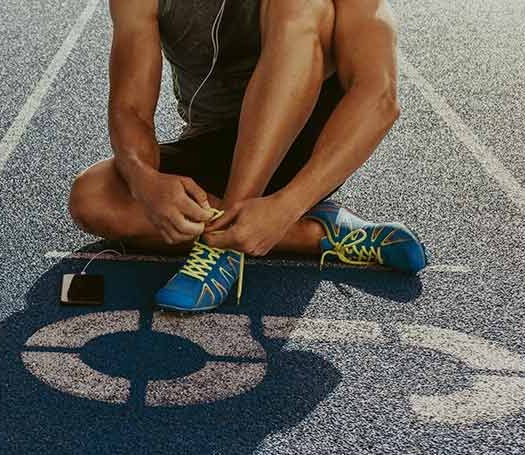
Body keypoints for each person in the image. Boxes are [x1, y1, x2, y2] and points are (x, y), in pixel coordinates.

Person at [67, 0, 428, 312]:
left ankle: (222, 248)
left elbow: (379, 95)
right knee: (94, 197)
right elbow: (131, 107)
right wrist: (145, 180)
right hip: (215, 140)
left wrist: (289, 202)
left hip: (308, 145)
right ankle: (315, 234)